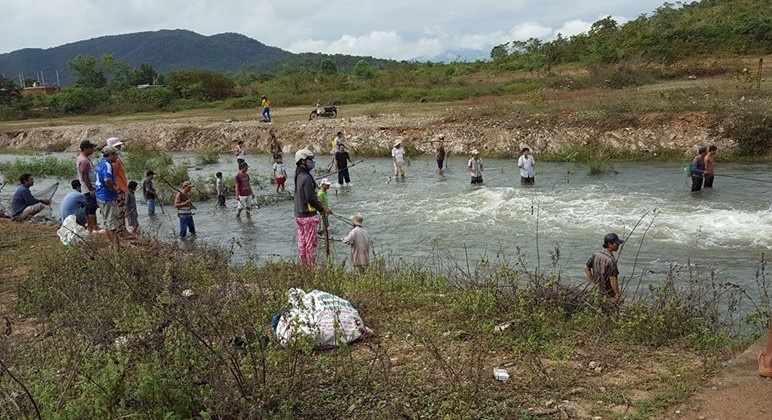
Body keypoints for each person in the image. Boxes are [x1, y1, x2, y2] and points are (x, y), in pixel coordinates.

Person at [293, 148, 326, 265]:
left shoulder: (298, 175)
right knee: (311, 243)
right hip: (308, 216)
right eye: (310, 159)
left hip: (299, 214)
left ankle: (304, 266)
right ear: (302, 161)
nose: (312, 162)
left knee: (302, 242)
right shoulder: (306, 178)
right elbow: (310, 199)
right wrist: (321, 209)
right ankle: (311, 267)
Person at [584, 233, 624, 303]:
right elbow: (613, 279)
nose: (618, 245)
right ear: (609, 244)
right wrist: (618, 295)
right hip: (609, 293)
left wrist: (594, 282)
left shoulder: (596, 255)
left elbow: (586, 268)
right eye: (616, 243)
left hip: (597, 290)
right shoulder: (611, 260)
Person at [95, 147, 121, 248]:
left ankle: (110, 243)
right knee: (113, 223)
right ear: (110, 155)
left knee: (106, 221)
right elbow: (107, 180)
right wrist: (114, 189)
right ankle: (116, 248)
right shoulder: (107, 165)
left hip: (100, 195)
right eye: (115, 155)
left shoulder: (99, 164)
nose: (117, 157)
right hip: (107, 197)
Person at [105, 137, 128, 235]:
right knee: (120, 211)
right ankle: (121, 231)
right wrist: (115, 188)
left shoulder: (115, 160)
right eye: (117, 146)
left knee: (121, 211)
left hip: (120, 187)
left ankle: (123, 230)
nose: (120, 147)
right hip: (119, 188)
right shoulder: (116, 161)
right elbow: (111, 176)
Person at [76, 139, 99, 232]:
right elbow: (85, 176)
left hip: (88, 188)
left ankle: (91, 226)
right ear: (85, 148)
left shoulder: (84, 158)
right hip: (89, 188)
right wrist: (91, 189)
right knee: (91, 207)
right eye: (91, 148)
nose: (92, 150)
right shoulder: (84, 161)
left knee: (90, 207)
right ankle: (93, 227)